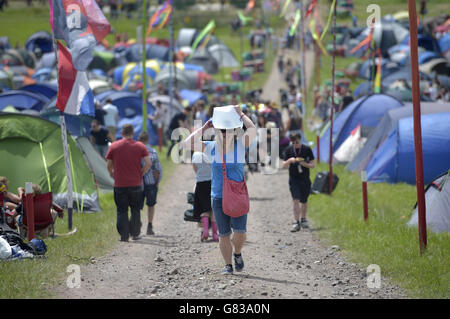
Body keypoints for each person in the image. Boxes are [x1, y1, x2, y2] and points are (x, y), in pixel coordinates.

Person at [180, 105, 256, 275]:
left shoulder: (241, 145)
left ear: (234, 131)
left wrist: (241, 114)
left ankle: (237, 253)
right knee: (223, 234)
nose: (224, 133)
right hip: (218, 196)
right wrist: (205, 126)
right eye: (221, 130)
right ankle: (228, 265)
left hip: (237, 195)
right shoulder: (211, 147)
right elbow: (187, 144)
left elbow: (252, 129)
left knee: (240, 232)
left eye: (227, 130)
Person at [106, 124, 151, 242]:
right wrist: (141, 173)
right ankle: (135, 233)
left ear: (122, 133)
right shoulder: (140, 146)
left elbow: (109, 164)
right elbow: (148, 163)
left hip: (120, 184)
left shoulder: (114, 146)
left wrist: (112, 174)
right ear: (132, 133)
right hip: (136, 183)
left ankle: (124, 235)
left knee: (122, 210)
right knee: (135, 209)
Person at [282, 131, 315, 232]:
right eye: (293, 143)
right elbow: (283, 165)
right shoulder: (288, 150)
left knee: (304, 200)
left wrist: (303, 163)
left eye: (297, 142)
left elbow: (312, 165)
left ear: (300, 140)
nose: (295, 144)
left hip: (305, 178)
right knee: (295, 199)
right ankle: (296, 222)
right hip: (294, 178)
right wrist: (289, 161)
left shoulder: (307, 149)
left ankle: (303, 219)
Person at [138, 132, 162, 236]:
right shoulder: (153, 151)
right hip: (150, 182)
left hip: (137, 183)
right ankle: (149, 225)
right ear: (148, 140)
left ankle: (137, 224)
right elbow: (157, 170)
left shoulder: (135, 151)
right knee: (151, 205)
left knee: (137, 206)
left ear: (139, 140)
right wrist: (157, 182)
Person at [192, 148, 218, 242]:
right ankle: (215, 234)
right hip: (213, 182)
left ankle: (205, 231)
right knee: (214, 209)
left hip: (201, 183)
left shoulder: (196, 154)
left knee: (204, 208)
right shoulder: (213, 153)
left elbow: (195, 169)